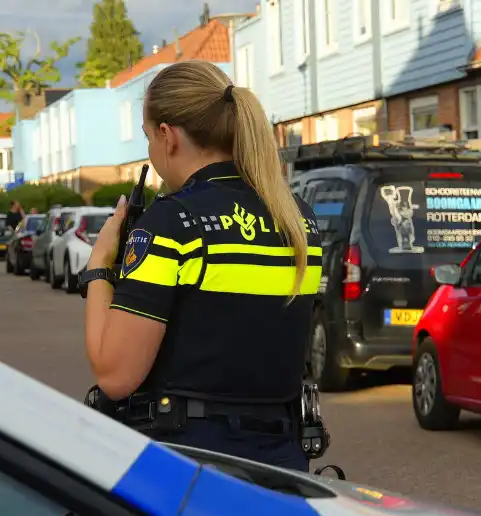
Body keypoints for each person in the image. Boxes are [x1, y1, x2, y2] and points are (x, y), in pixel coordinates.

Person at [79, 60, 322, 472]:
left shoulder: (172, 222)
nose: (151, 154)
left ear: (167, 135)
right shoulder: (298, 218)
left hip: (191, 466)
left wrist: (100, 268)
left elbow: (115, 375)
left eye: (147, 138)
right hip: (282, 462)